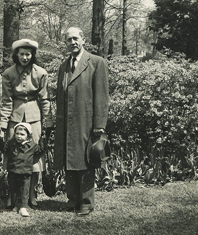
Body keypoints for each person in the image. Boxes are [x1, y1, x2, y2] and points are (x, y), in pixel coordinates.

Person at [53, 27, 109, 216]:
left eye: (75, 38)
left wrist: (99, 124)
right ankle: (73, 199)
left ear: (83, 39)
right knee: (69, 161)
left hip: (86, 122)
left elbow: (102, 97)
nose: (72, 43)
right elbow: (60, 96)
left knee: (86, 160)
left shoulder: (96, 63)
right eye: (69, 40)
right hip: (66, 122)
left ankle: (86, 202)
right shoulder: (64, 65)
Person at [0, 39, 53, 210]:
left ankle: (31, 195)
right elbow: (6, 100)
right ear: (16, 55)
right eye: (21, 54)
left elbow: (44, 99)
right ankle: (12, 196)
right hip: (15, 117)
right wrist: (3, 125)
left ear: (32, 55)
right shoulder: (8, 73)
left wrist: (48, 123)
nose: (25, 57)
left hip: (34, 117)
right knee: (12, 156)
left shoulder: (41, 73)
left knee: (34, 156)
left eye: (28, 54)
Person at [0, 122, 46, 217]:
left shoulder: (32, 146)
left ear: (28, 136)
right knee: (13, 189)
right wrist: (0, 138)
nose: (19, 136)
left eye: (22, 134)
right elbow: (3, 148)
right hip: (13, 171)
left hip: (25, 172)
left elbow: (40, 150)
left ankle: (23, 207)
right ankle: (16, 205)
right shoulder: (11, 144)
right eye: (17, 134)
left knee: (24, 190)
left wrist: (43, 139)